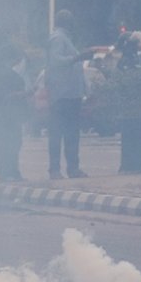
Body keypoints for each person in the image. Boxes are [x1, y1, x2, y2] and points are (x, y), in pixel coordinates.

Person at [43, 10, 90, 179]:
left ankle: (72, 168)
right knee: (58, 133)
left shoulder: (65, 38)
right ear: (67, 22)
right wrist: (77, 57)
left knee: (71, 134)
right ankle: (55, 169)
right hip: (62, 95)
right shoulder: (58, 39)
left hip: (70, 94)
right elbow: (56, 61)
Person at [0, 45, 31, 181]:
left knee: (12, 143)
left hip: (4, 115)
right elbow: (4, 95)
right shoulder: (7, 75)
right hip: (6, 115)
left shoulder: (0, 73)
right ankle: (6, 173)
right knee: (8, 144)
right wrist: (26, 93)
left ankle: (11, 172)